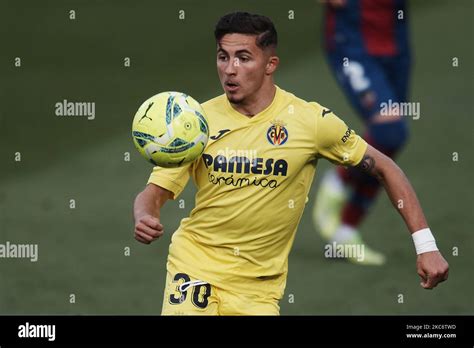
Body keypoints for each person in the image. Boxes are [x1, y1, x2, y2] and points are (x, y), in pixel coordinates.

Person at [133, 12, 448, 315]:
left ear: (270, 65)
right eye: (223, 57)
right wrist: (145, 214)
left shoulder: (310, 122)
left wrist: (426, 245)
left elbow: (385, 167)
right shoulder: (196, 123)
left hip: (259, 289)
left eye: (243, 58)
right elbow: (155, 191)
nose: (230, 69)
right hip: (194, 268)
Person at [313, 0, 412, 265]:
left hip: (395, 40)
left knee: (391, 137)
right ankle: (338, 181)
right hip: (353, 42)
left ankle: (345, 232)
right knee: (389, 129)